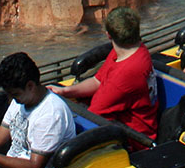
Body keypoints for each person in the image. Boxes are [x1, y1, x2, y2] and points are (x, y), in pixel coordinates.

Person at [50, 7, 158, 139]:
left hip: (133, 138)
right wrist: (66, 91)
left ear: (108, 35)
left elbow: (92, 117)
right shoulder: (131, 49)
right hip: (112, 118)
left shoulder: (124, 75)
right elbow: (97, 81)